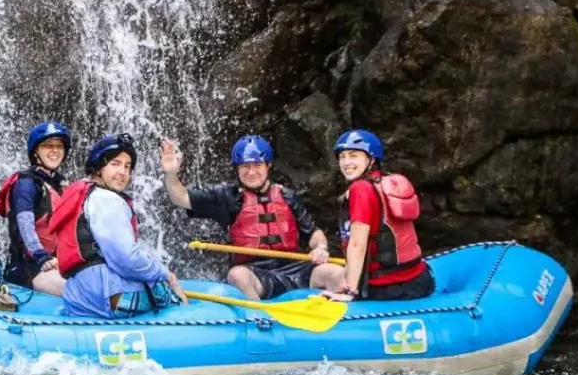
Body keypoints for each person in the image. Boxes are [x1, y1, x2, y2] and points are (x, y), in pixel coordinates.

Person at [160, 135, 343, 301]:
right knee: (237, 275)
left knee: (338, 273)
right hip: (257, 274)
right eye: (245, 166)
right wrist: (171, 173)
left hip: (298, 269)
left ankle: (340, 323)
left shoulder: (287, 197)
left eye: (257, 165)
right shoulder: (228, 198)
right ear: (237, 169)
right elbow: (181, 198)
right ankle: (260, 322)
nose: (251, 172)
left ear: (268, 166)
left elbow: (314, 233)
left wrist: (320, 248)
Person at [49, 133, 187, 319]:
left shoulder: (83, 191)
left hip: (77, 297)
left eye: (127, 166)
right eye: (115, 164)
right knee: (172, 290)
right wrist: (166, 275)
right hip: (108, 296)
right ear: (99, 168)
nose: (123, 172)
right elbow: (126, 259)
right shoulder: (107, 199)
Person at [325, 129, 434, 302]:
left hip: (390, 287)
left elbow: (357, 244)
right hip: (420, 279)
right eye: (342, 156)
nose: (346, 162)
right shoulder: (384, 182)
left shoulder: (360, 189)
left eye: (354, 155)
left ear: (371, 159)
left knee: (328, 281)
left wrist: (351, 292)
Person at [0, 121, 70, 296]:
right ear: (35, 151)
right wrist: (40, 254)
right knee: (80, 292)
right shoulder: (26, 184)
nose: (55, 150)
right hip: (28, 267)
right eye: (48, 146)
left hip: (57, 263)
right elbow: (25, 226)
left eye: (59, 146)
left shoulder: (61, 185)